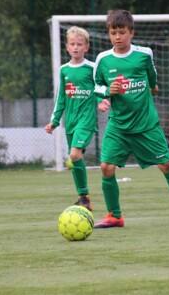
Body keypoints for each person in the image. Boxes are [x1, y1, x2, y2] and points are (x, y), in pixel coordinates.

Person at [92, 10, 169, 228]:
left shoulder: (144, 54)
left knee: (165, 165)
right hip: (119, 126)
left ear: (131, 32)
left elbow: (153, 80)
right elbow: (96, 86)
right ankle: (114, 215)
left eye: (122, 32)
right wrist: (107, 92)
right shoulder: (103, 59)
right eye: (113, 32)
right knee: (106, 167)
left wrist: (149, 88)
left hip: (146, 125)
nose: (117, 37)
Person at [45, 26, 110, 211]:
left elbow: (100, 87)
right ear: (67, 47)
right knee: (75, 158)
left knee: (74, 155)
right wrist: (54, 121)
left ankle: (84, 196)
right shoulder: (64, 70)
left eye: (79, 44)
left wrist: (101, 101)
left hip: (86, 120)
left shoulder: (91, 68)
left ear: (86, 47)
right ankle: (84, 198)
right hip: (71, 122)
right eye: (72, 44)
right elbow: (61, 98)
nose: (75, 47)